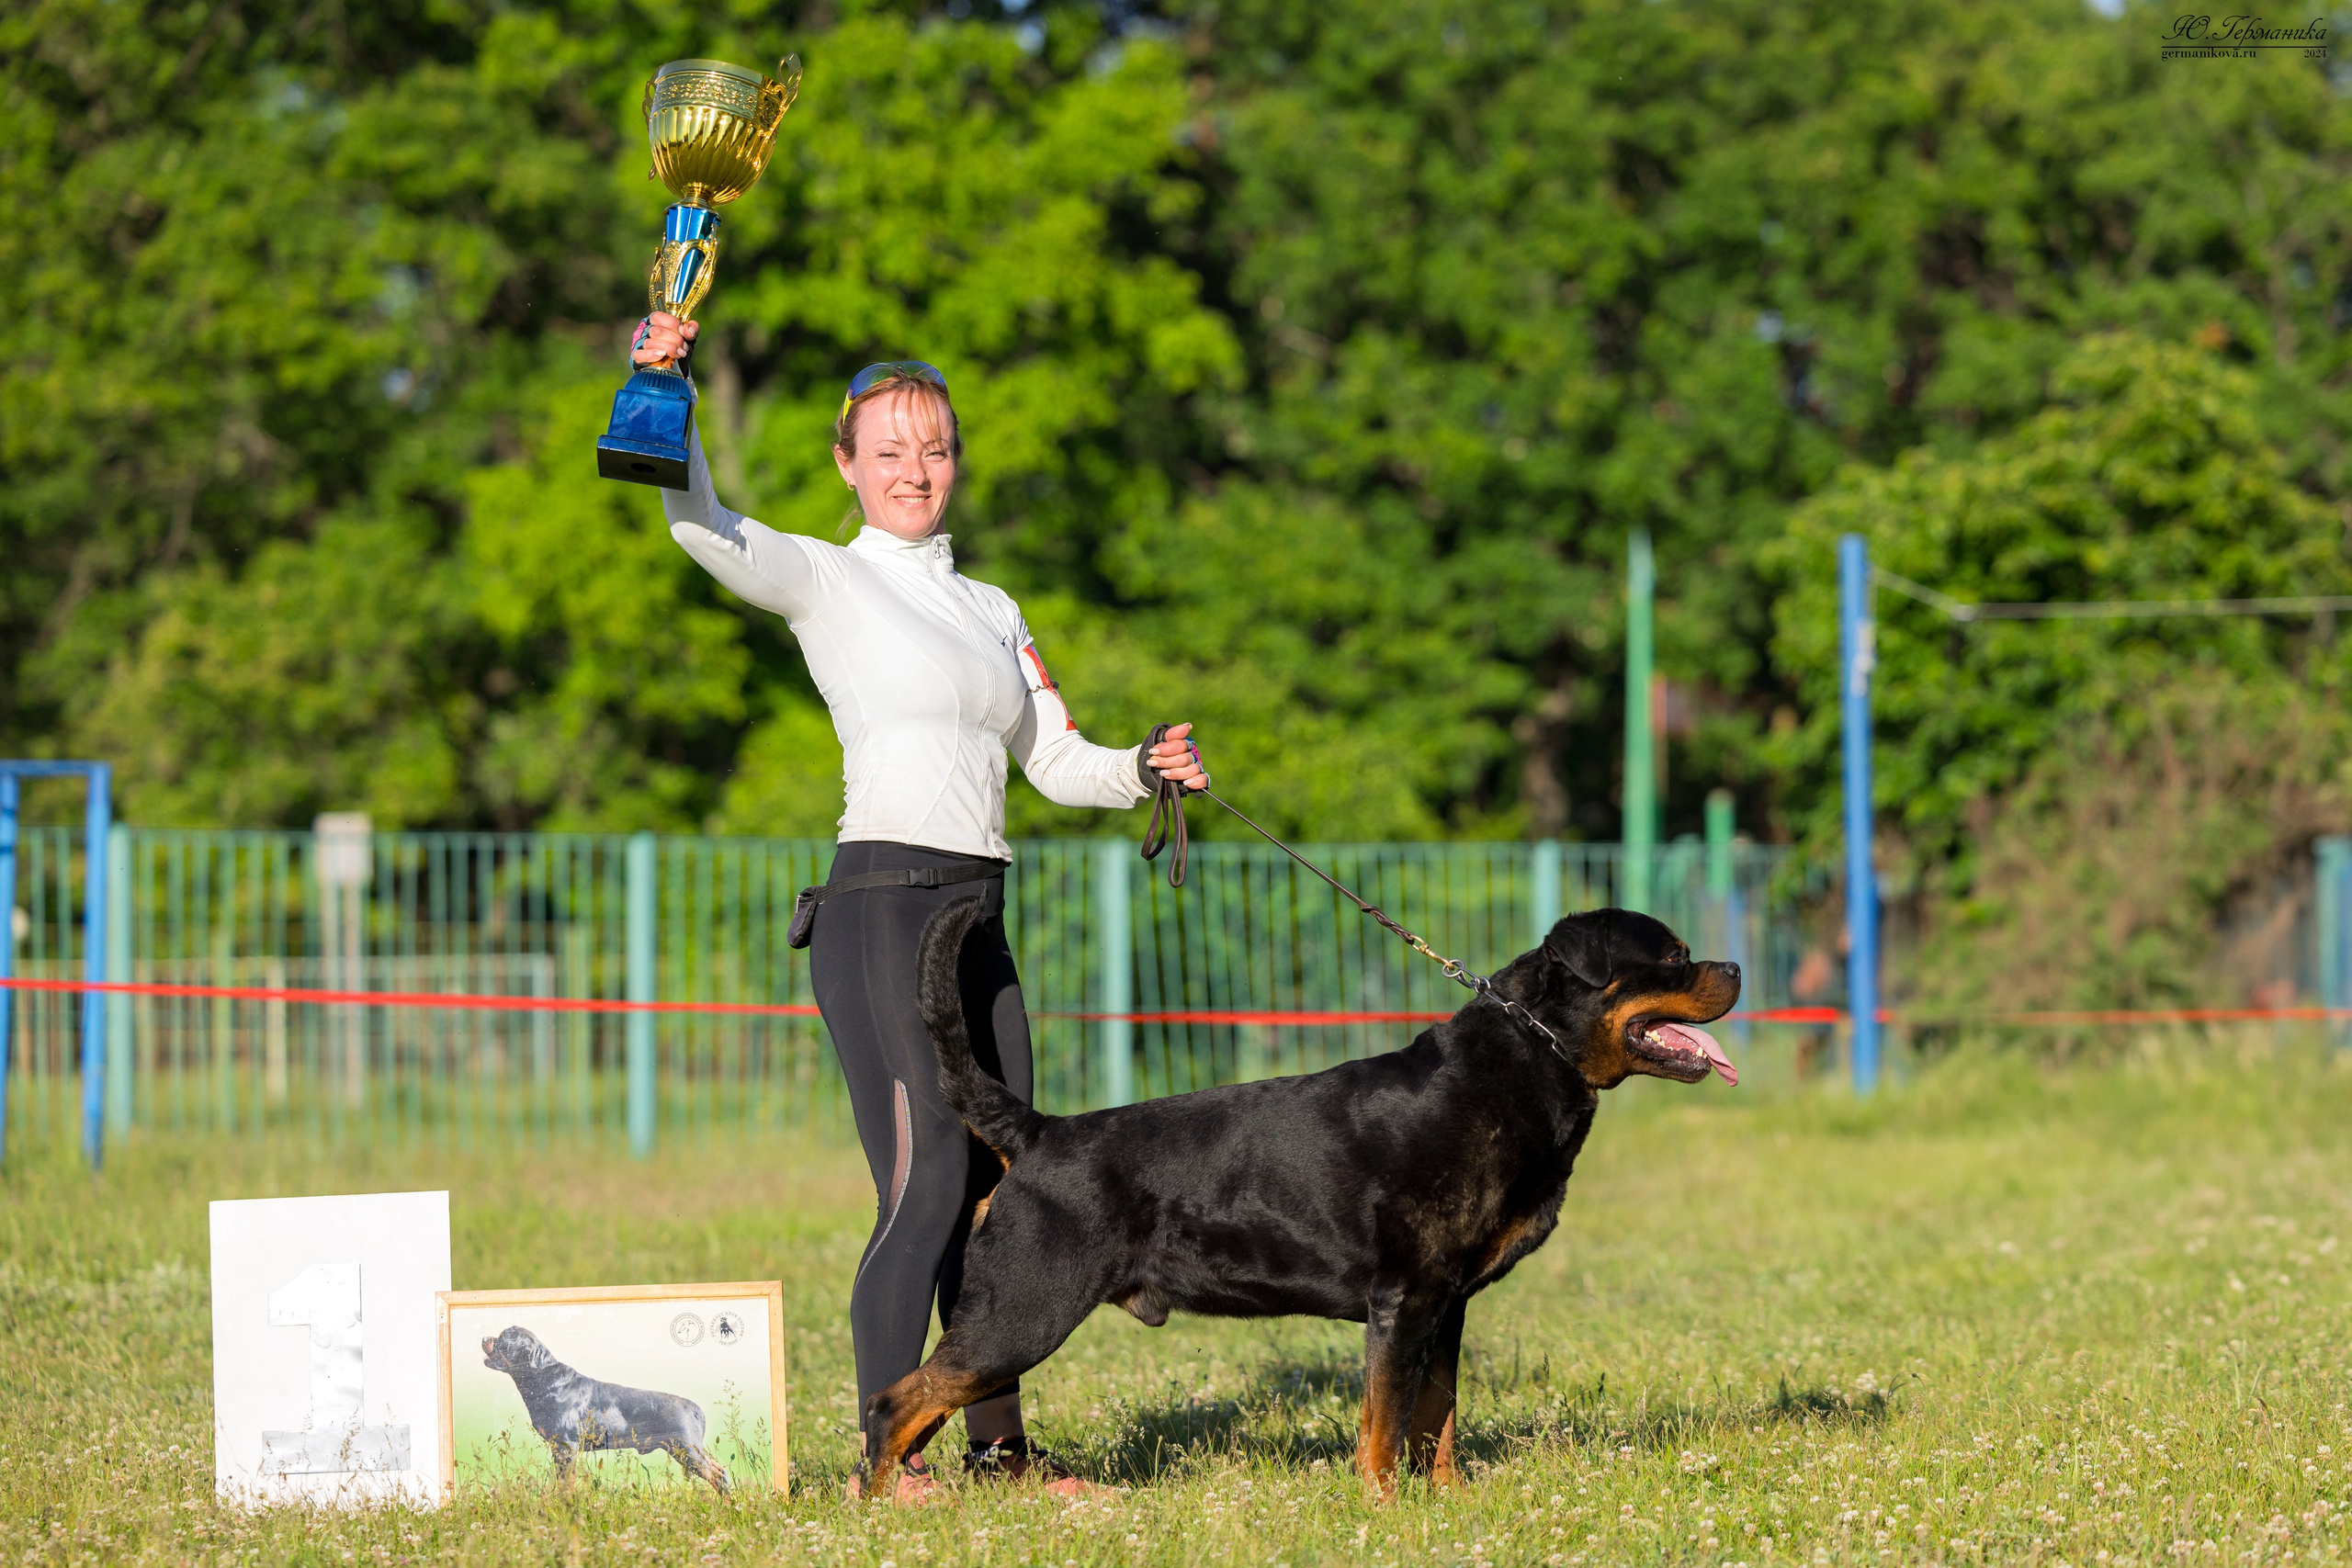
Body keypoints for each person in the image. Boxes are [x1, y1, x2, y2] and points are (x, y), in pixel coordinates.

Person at [632, 310, 1208, 1501]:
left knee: (1011, 1192)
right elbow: (701, 522)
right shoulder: (827, 575)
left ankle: (999, 1450)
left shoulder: (994, 610)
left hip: (976, 917)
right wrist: (663, 387)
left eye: (935, 449)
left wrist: (1143, 768)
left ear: (957, 461)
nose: (914, 470)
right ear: (848, 463)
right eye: (888, 450)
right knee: (926, 1183)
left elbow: (1058, 760)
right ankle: (884, 1458)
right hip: (881, 911)